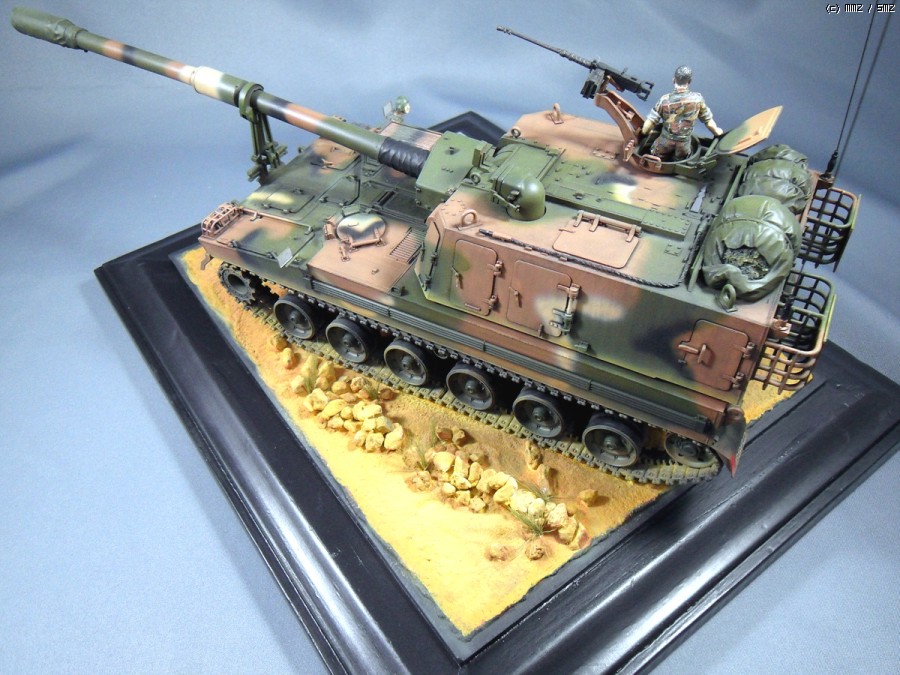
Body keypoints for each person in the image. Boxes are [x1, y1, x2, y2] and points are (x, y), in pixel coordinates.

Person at [641, 66, 723, 161]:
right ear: (690, 81)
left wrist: (644, 132)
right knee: (680, 160)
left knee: (656, 158)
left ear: (673, 80)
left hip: (664, 143)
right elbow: (708, 121)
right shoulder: (698, 99)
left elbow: (648, 126)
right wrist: (717, 132)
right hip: (684, 146)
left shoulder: (664, 100)